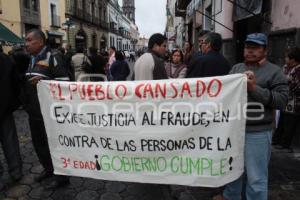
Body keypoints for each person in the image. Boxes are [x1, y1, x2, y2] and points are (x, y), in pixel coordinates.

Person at [223, 33, 288, 200]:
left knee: (256, 178)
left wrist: (254, 88)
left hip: (258, 133)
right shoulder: (236, 68)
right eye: (247, 47)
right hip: (234, 131)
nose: (250, 51)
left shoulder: (275, 72)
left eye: (255, 47)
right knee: (232, 173)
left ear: (265, 50)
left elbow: (281, 101)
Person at [24, 29, 70, 190]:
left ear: (41, 42)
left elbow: (65, 82)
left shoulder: (54, 56)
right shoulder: (31, 58)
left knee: (53, 145)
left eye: (30, 40)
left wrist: (46, 80)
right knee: (39, 144)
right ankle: (49, 169)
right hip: (34, 111)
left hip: (49, 113)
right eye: (26, 40)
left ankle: (62, 177)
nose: (26, 43)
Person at [0, 52, 23, 191]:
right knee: (10, 142)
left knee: (10, 141)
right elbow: (16, 83)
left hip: (5, 108)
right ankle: (16, 172)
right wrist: (12, 104)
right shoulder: (5, 59)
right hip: (5, 109)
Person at [272, 47, 300, 152]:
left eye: (287, 57)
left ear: (293, 59)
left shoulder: (298, 69)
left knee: (290, 124)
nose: (285, 59)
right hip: (284, 100)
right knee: (281, 122)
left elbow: (296, 86)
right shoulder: (285, 67)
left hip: (295, 103)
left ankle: (285, 145)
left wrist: (285, 84)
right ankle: (276, 140)